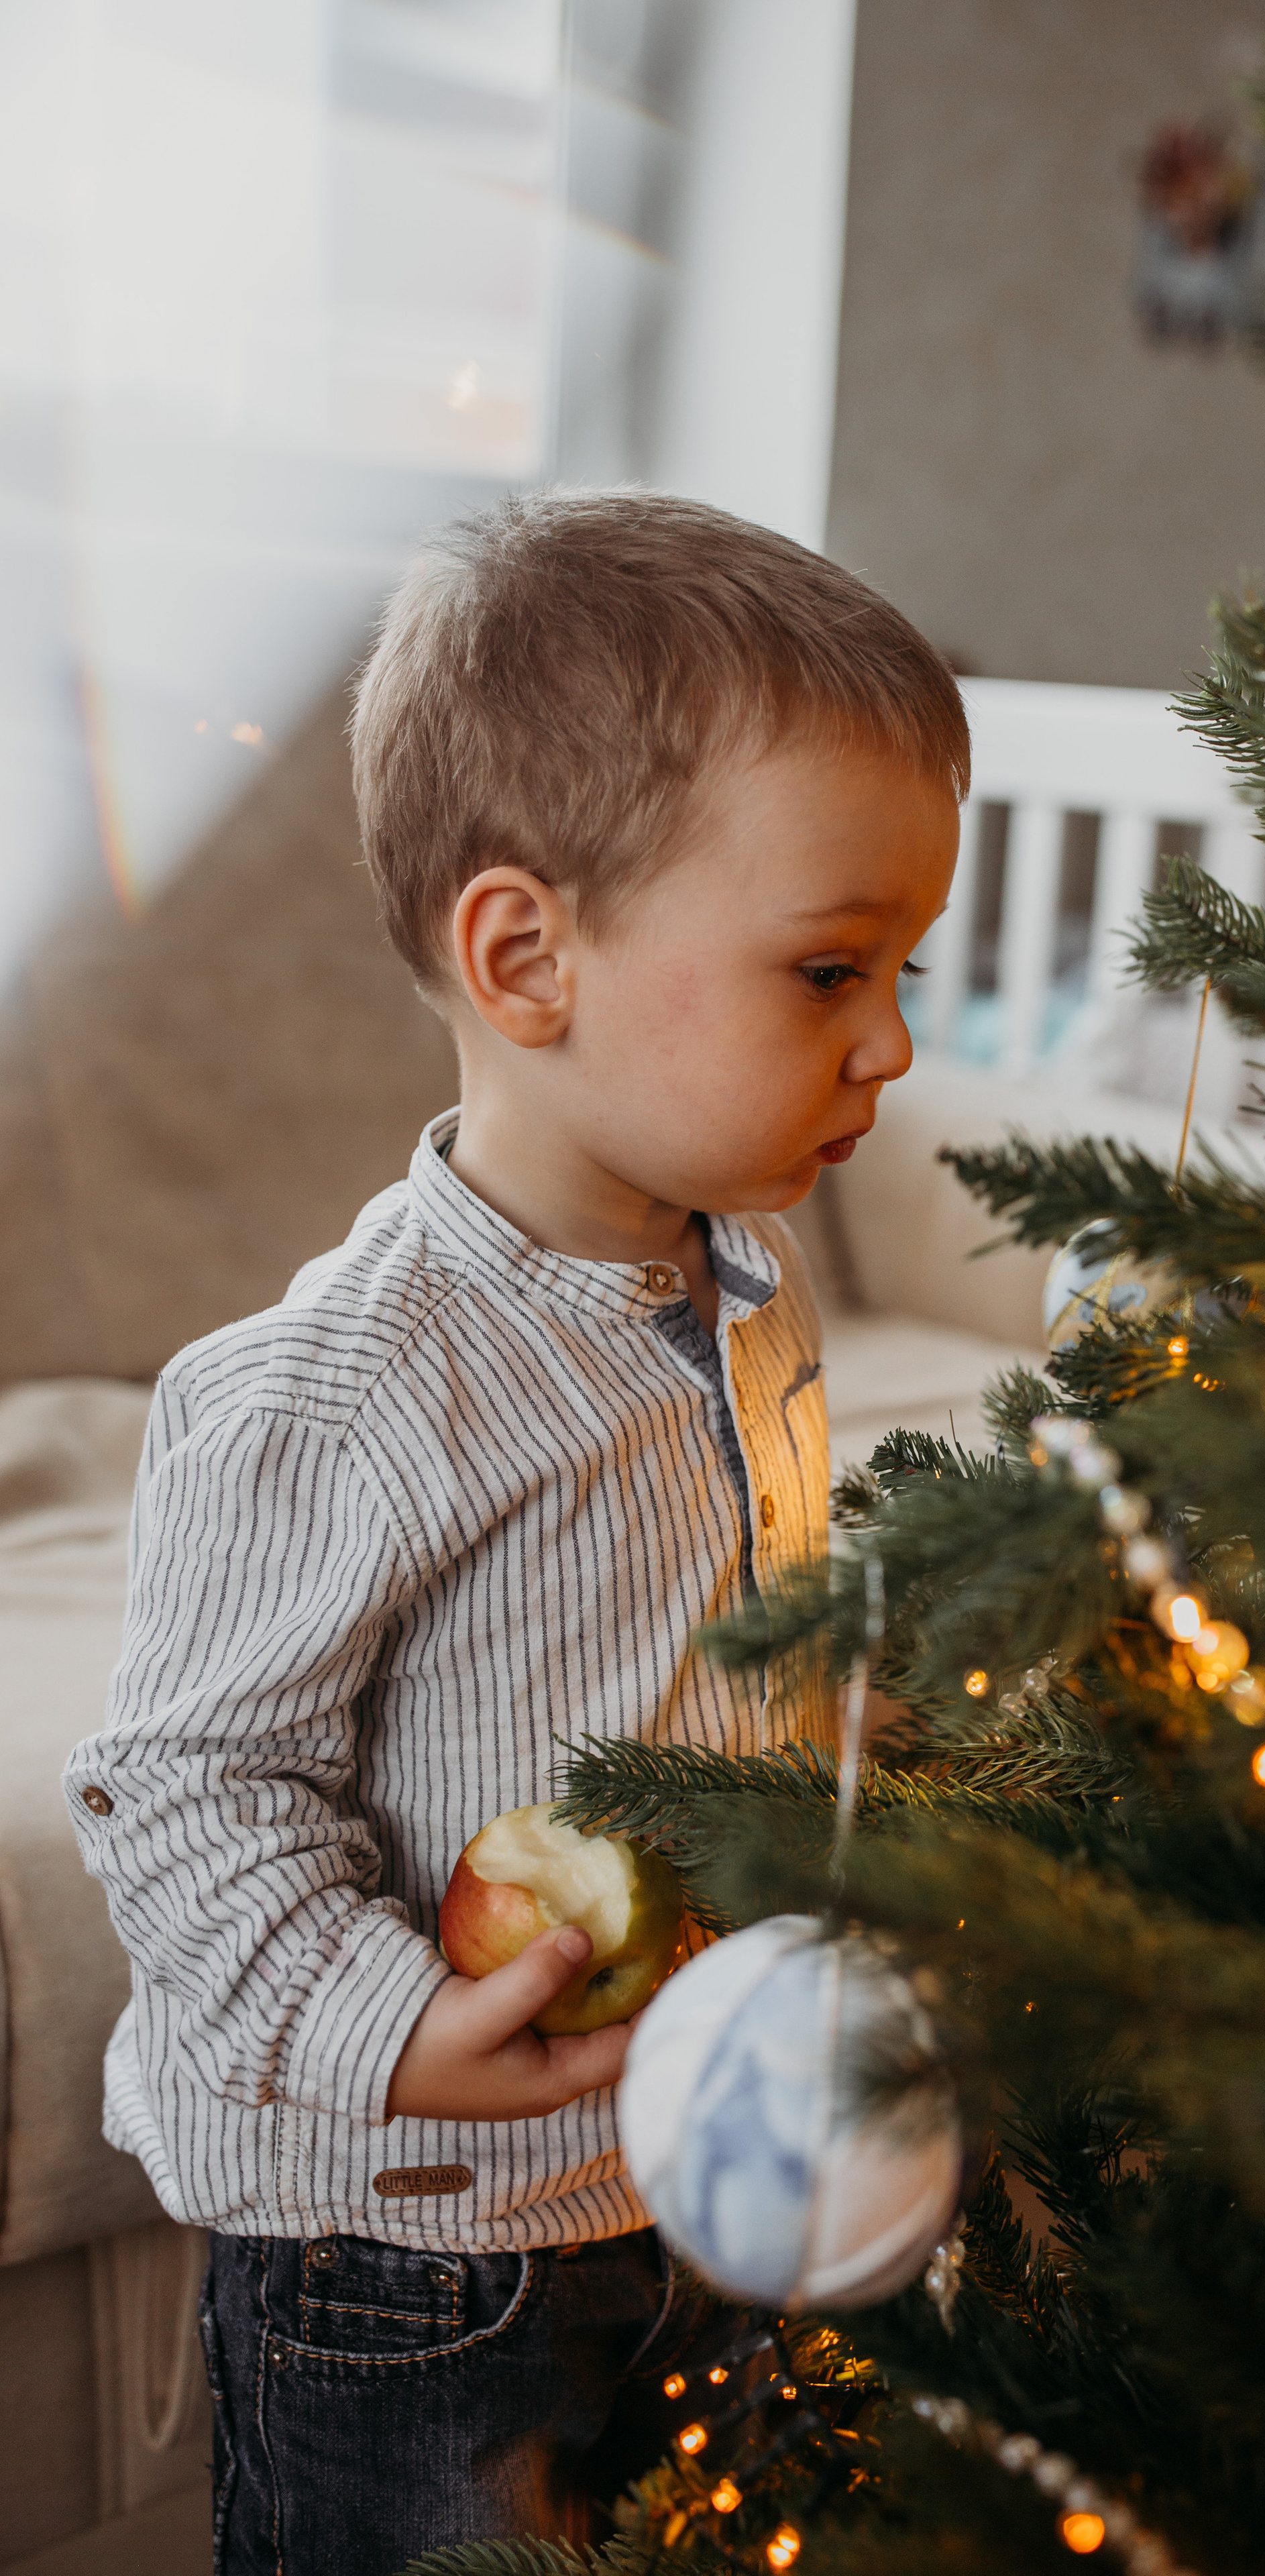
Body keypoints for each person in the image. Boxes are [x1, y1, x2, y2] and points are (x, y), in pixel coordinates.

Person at [63, 488, 967, 2575]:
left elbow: (754, 1629)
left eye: (902, 967)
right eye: (834, 966)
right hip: (422, 2266)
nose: (899, 1043)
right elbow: (188, 1791)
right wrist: (392, 2028)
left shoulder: (756, 1280)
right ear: (524, 957)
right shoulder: (334, 1392)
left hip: (707, 2185)